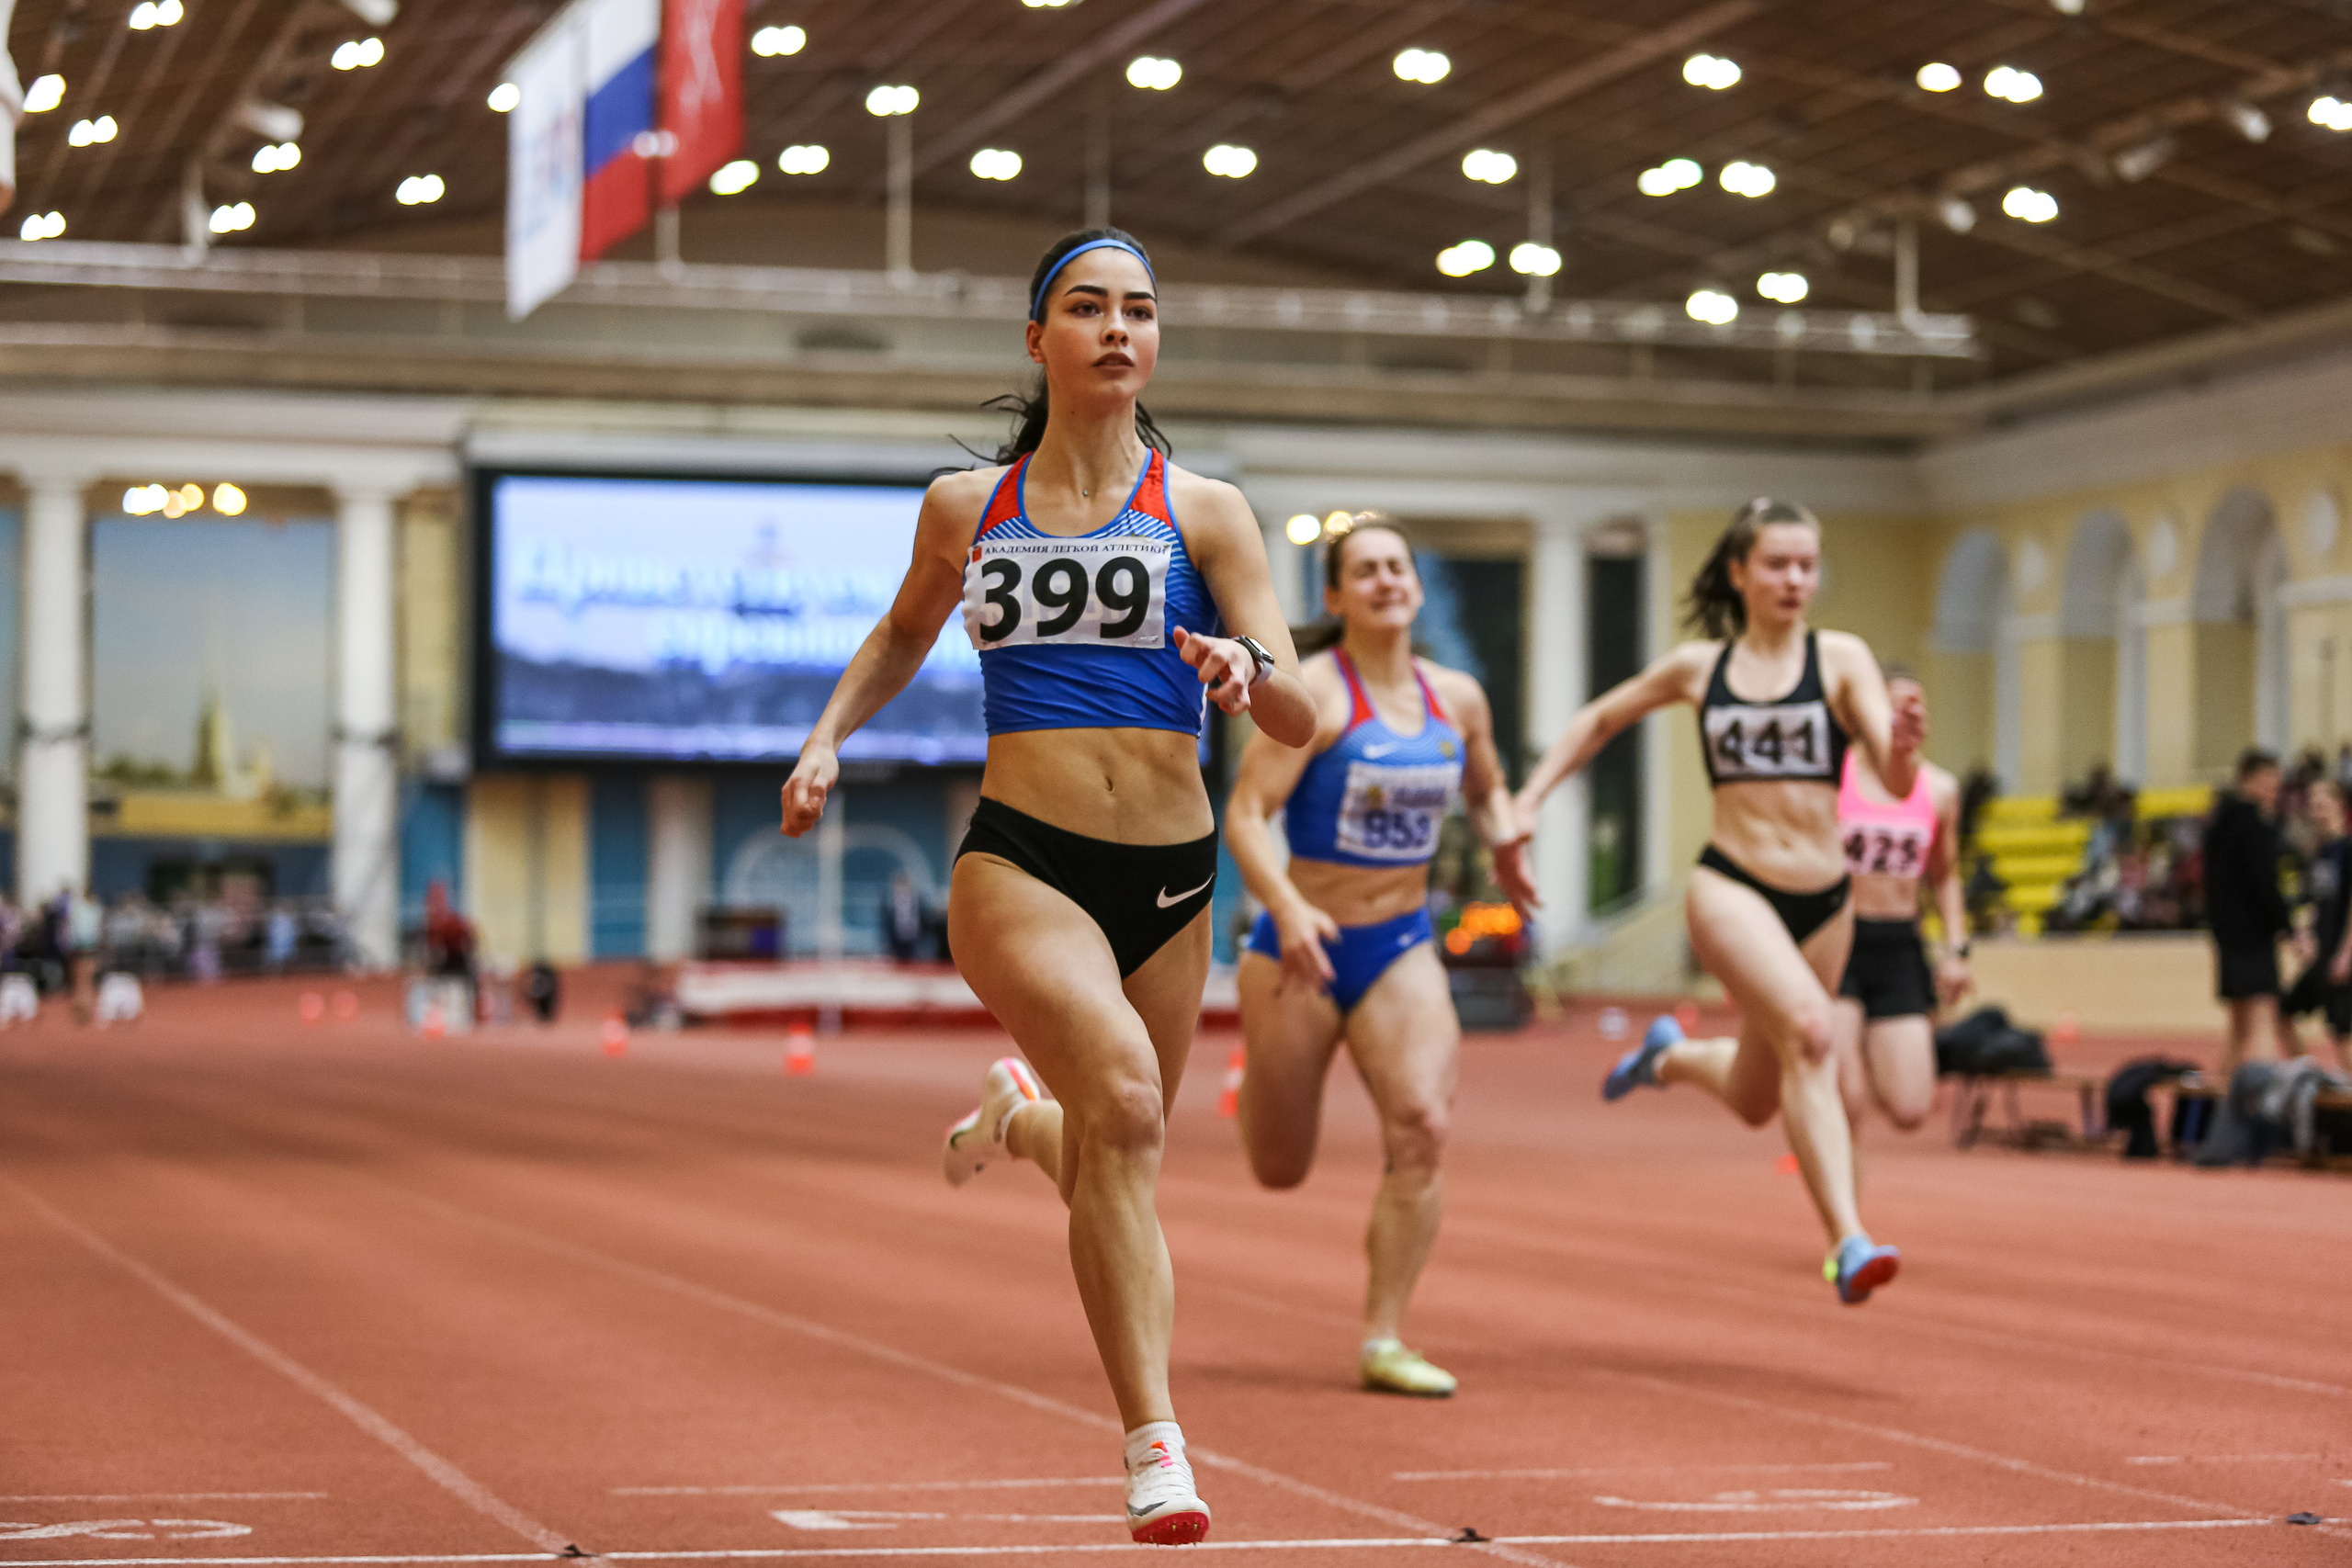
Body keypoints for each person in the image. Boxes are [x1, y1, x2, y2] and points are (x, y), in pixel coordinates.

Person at [780, 227, 1314, 1547]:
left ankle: (1019, 1124)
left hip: (1175, 877)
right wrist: (826, 734)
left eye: (1141, 308)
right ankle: (1156, 1447)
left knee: (1113, 1148)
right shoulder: (971, 507)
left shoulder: (1210, 510)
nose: (1119, 328)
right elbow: (906, 629)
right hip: (1024, 859)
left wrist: (1250, 677)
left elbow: (1300, 704)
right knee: (1127, 1105)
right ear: (1040, 340)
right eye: (1089, 308)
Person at [1508, 498, 1924, 1303]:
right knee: (1811, 1033)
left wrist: (1902, 746)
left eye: (1808, 564)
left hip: (1826, 898)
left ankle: (1665, 1056)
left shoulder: (1841, 659)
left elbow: (1898, 780)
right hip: (1733, 882)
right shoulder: (1702, 669)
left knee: (1758, 1094)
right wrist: (1529, 801)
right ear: (1740, 572)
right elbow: (1600, 719)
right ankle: (1848, 1239)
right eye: (1778, 563)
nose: (1796, 579)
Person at [1223, 515, 1533, 1399]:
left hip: (1399, 944)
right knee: (1279, 1168)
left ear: (1417, 585)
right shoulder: (1313, 694)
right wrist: (1285, 907)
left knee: (1424, 1128)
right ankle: (1263, 1074)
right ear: (1336, 596)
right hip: (1299, 948)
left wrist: (1508, 839)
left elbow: (1488, 785)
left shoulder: (1459, 699)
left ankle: (1385, 1336)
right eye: (1366, 571)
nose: (1387, 580)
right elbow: (1247, 815)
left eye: (1398, 566)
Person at [1826, 667, 1969, 1142]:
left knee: (1910, 1108)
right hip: (1838, 940)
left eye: (1918, 704)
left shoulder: (1941, 789)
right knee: (1846, 1102)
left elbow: (1945, 875)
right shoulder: (1834, 778)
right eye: (1896, 704)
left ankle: (1865, 1043)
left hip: (1898, 946)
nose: (1909, 714)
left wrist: (1956, 949)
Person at [2203, 749, 2303, 1073]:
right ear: (2246, 780)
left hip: (2229, 939)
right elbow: (2265, 885)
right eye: (2265, 782)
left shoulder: (2218, 824)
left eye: (2276, 783)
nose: (2272, 790)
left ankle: (2218, 1109)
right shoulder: (2253, 827)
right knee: (2263, 1018)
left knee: (2238, 1026)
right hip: (2252, 939)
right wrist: (2287, 928)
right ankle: (2261, 1107)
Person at [2280, 779, 2352, 1071]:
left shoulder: (2348, 848)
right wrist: (2305, 934)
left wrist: (2347, 954)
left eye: (2323, 804)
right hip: (2323, 955)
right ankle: (2307, 1078)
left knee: (2341, 1033)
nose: (2317, 811)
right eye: (2313, 805)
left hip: (2341, 954)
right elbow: (2318, 904)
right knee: (2283, 1012)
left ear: (2340, 806)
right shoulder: (2320, 853)